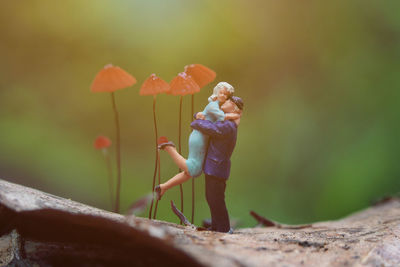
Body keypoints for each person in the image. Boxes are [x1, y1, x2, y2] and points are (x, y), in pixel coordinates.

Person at [155, 82, 239, 198]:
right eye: (221, 93)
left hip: (202, 136)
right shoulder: (214, 105)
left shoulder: (215, 105)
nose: (223, 96)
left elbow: (204, 115)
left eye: (226, 95)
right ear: (216, 91)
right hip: (199, 137)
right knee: (194, 169)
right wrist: (235, 116)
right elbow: (220, 117)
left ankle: (163, 187)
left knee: (190, 172)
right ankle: (170, 148)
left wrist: (198, 115)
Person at [191, 96, 243, 233]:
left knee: (216, 199)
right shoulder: (226, 122)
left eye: (227, 101)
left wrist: (197, 122)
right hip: (214, 166)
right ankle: (216, 226)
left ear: (233, 106)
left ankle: (224, 228)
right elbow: (212, 123)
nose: (223, 102)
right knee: (211, 197)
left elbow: (214, 129)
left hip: (217, 166)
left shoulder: (228, 125)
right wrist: (199, 116)